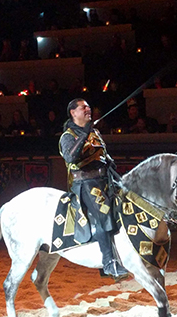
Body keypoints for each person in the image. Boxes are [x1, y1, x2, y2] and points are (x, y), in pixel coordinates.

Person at [59, 98, 129, 280]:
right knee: (103, 213)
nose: (88, 109)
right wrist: (84, 134)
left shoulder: (95, 132)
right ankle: (109, 262)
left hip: (104, 180)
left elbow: (103, 155)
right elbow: (71, 158)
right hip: (84, 184)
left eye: (89, 107)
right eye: (83, 107)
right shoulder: (67, 136)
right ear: (73, 112)